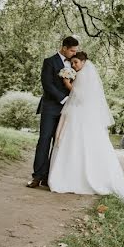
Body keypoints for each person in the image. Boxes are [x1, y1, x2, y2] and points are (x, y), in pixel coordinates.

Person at [47, 51, 124, 211]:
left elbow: (80, 96)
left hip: (80, 113)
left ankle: (70, 178)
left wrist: (67, 84)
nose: (74, 65)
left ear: (84, 61)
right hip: (82, 113)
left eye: (76, 62)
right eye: (72, 64)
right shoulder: (87, 74)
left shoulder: (84, 76)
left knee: (75, 143)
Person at [28, 36, 79, 189]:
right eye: (72, 50)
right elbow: (47, 84)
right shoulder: (49, 61)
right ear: (64, 47)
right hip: (50, 106)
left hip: (68, 110)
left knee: (60, 143)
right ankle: (37, 176)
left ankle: (50, 178)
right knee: (44, 140)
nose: (74, 53)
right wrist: (63, 99)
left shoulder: (74, 63)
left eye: (75, 51)